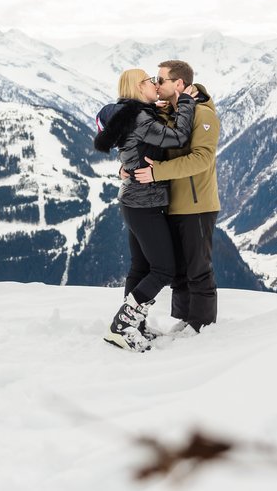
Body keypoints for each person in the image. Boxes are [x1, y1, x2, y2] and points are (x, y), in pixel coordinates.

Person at [93, 69, 197, 352]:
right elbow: (178, 138)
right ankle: (122, 326)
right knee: (164, 269)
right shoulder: (140, 118)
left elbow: (137, 146)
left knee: (140, 267)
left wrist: (154, 108)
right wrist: (185, 102)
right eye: (152, 81)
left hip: (134, 202)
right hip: (145, 202)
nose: (156, 84)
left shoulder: (132, 115)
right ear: (139, 87)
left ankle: (134, 326)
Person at [133, 60, 220, 335]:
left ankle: (202, 328)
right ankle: (181, 323)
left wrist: (157, 173)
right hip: (172, 205)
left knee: (198, 271)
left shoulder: (202, 115)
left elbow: (201, 160)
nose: (156, 85)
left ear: (179, 84)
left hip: (196, 206)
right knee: (180, 273)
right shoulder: (172, 113)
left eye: (161, 80)